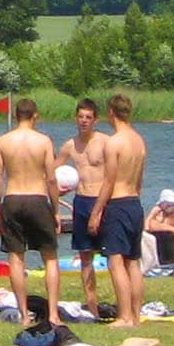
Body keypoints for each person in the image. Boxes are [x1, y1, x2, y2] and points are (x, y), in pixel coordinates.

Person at [0, 97, 61, 325]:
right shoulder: (43, 141)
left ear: (16, 115)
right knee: (49, 257)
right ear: (35, 116)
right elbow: (51, 179)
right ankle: (52, 314)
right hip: (37, 197)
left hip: (12, 198)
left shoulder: (3, 141)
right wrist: (56, 210)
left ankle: (23, 315)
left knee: (16, 258)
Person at [86, 93, 147, 328]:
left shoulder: (114, 142)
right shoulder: (139, 141)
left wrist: (96, 211)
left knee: (115, 261)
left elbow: (109, 182)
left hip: (118, 203)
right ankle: (136, 316)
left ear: (111, 113)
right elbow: (139, 180)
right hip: (134, 202)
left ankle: (124, 316)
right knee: (133, 262)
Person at [56, 98, 110, 316]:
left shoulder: (106, 142)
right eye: (81, 117)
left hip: (103, 200)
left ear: (95, 120)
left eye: (88, 117)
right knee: (85, 256)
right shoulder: (70, 145)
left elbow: (115, 174)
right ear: (75, 118)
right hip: (81, 201)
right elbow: (53, 171)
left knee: (114, 255)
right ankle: (92, 305)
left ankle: (124, 305)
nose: (84, 121)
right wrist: (59, 189)